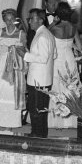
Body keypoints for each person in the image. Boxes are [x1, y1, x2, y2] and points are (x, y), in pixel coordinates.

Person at [0, 8, 27, 129]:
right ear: (4, 20)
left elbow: (24, 50)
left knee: (10, 92)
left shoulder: (21, 33)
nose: (9, 22)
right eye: (7, 20)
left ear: (15, 19)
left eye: (11, 19)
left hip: (14, 65)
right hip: (1, 64)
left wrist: (14, 49)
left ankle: (9, 124)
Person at [49, 2, 82, 129]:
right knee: (70, 87)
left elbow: (42, 35)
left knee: (57, 87)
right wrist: (70, 45)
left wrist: (52, 23)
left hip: (58, 59)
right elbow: (80, 48)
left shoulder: (55, 28)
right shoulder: (73, 28)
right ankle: (70, 120)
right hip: (70, 58)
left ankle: (56, 120)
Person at [24, 9, 55, 138]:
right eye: (29, 18)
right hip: (42, 77)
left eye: (32, 18)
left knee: (36, 109)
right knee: (39, 108)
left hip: (39, 79)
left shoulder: (42, 36)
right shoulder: (46, 34)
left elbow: (43, 58)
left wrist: (24, 55)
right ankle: (39, 134)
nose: (29, 21)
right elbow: (54, 55)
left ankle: (37, 135)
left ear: (41, 20)